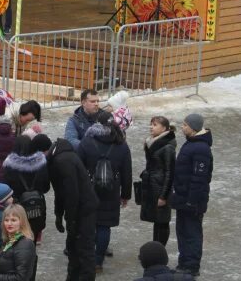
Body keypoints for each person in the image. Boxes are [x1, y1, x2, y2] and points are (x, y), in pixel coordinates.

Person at [77, 110, 132, 273]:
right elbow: (127, 172)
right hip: (111, 191)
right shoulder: (121, 143)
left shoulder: (87, 141)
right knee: (104, 227)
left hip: (89, 189)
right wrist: (125, 195)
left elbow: (78, 167)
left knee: (89, 225)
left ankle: (86, 258)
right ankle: (98, 261)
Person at [46, 137, 98, 281]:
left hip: (84, 211)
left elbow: (71, 193)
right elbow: (60, 191)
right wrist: (58, 214)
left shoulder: (63, 161)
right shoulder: (59, 158)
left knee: (84, 250)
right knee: (73, 247)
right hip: (78, 210)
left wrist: (71, 220)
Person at [170, 113, 213, 276]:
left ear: (193, 128)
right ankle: (185, 262)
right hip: (184, 198)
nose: (182, 127)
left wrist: (192, 201)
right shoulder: (192, 143)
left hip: (192, 201)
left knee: (192, 232)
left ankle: (191, 265)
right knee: (183, 231)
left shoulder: (200, 148)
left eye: (185, 125)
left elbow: (199, 177)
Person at [2, 135, 51, 240]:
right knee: (32, 239)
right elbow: (46, 187)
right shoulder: (41, 163)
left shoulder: (9, 165)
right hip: (36, 209)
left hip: (16, 208)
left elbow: (6, 188)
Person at [139, 116, 177, 245]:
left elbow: (170, 172)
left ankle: (160, 251)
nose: (151, 127)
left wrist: (164, 196)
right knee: (157, 219)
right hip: (153, 186)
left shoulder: (167, 147)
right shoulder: (152, 143)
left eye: (155, 125)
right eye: (151, 124)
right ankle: (156, 249)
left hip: (161, 188)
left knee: (162, 221)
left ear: (164, 128)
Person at [0, 204, 37, 281]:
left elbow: (21, 278)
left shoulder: (25, 244)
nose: (9, 223)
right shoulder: (9, 240)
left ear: (22, 221)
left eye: (13, 220)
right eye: (6, 220)